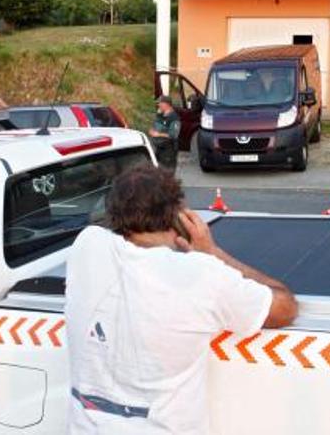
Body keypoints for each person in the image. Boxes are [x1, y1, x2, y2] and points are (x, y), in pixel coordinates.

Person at [65, 166, 298, 434]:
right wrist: (212, 252)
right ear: (178, 214)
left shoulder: (87, 246)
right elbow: (284, 307)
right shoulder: (202, 275)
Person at [147, 96, 180, 170]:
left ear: (166, 104)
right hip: (159, 148)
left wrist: (158, 134)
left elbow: (174, 134)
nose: (158, 105)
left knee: (167, 172)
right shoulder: (160, 115)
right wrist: (152, 130)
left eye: (160, 103)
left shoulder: (174, 118)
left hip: (168, 150)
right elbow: (155, 126)